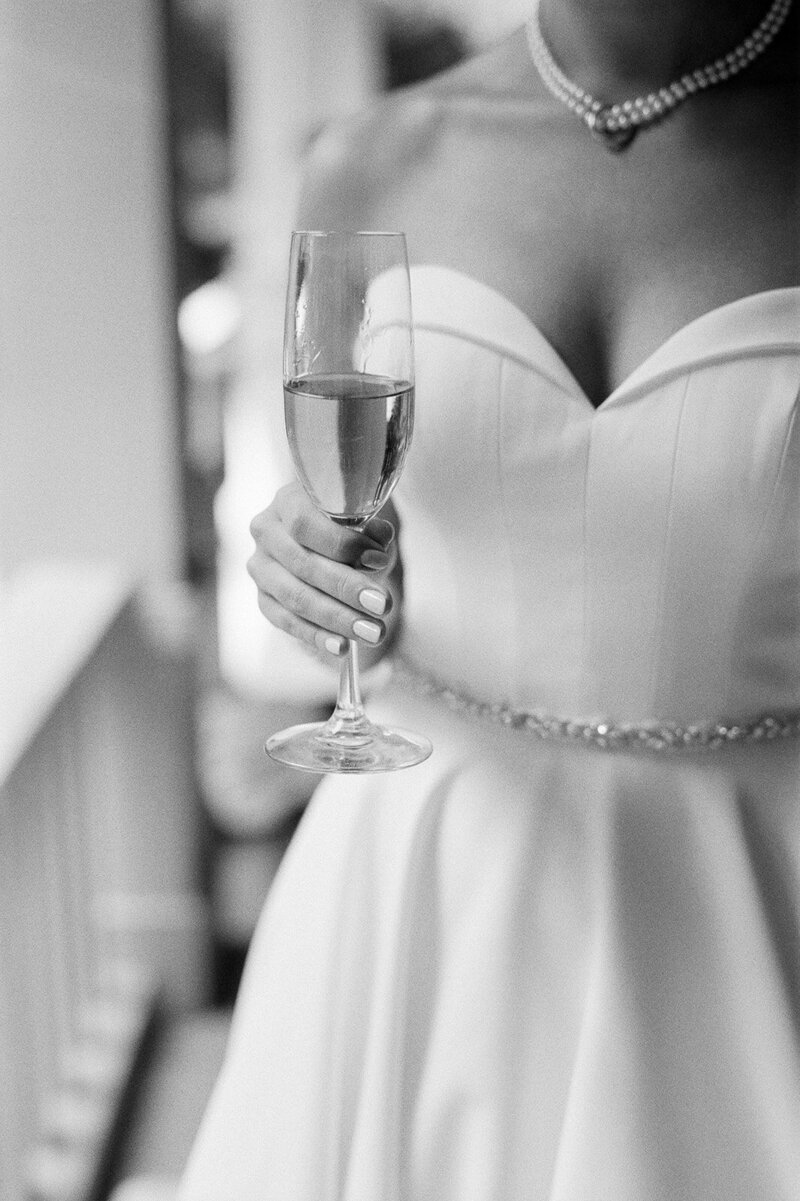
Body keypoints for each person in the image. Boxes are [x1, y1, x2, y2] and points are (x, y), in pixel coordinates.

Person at [179, 0, 800, 1197]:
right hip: (429, 875)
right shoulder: (370, 158)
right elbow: (347, 507)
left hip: (765, 887)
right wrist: (322, 565)